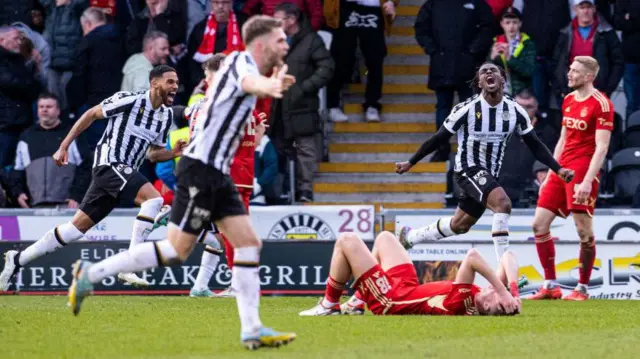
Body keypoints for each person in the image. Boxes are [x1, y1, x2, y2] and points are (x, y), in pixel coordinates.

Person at [64, 15, 296, 350]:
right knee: (175, 250)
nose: (286, 45)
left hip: (217, 173)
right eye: (280, 41)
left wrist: (268, 84)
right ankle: (90, 274)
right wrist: (270, 87)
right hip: (201, 170)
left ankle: (252, 329)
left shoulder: (248, 67)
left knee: (248, 244)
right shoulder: (239, 66)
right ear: (260, 45)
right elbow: (248, 84)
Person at [0, 65, 185, 292]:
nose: (175, 87)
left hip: (121, 173)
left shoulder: (165, 117)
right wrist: (63, 146)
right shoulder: (130, 100)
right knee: (154, 201)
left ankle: (17, 260)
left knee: (74, 230)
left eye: (176, 82)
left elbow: (152, 153)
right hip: (110, 164)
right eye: (170, 82)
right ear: (155, 83)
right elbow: (91, 114)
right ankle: (131, 263)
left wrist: (174, 152)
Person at [394, 62, 575, 263]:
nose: (489, 72)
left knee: (460, 225)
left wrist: (557, 169)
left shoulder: (515, 111)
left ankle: (410, 237)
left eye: (493, 70)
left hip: (489, 175)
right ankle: (504, 270)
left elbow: (535, 145)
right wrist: (411, 162)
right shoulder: (466, 109)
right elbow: (438, 138)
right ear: (480, 82)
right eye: (483, 71)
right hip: (467, 169)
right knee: (503, 204)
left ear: (502, 79)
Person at [184, 53, 270, 298]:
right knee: (227, 230)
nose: (207, 81)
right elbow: (254, 142)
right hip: (242, 173)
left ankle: (240, 284)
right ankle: (215, 284)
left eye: (209, 76)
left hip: (228, 174)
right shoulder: (245, 102)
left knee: (228, 231)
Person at [530, 56, 613, 301]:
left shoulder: (602, 104)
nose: (569, 74)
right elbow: (564, 139)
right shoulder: (567, 100)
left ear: (588, 76)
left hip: (583, 171)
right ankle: (550, 285)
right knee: (539, 225)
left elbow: (602, 148)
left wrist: (588, 180)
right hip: (563, 168)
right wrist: (552, 171)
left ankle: (582, 288)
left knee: (583, 232)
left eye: (575, 71)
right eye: (570, 69)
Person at [299, 231, 521, 316]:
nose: (490, 303)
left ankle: (329, 305)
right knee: (385, 238)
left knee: (347, 241)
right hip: (408, 287)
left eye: (493, 310)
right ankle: (358, 302)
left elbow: (472, 256)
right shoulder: (489, 293)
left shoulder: (463, 301)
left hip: (392, 300)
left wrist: (503, 291)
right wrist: (513, 292)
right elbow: (508, 257)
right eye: (498, 303)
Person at [414, 0, 494, 161]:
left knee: (468, 107)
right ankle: (442, 148)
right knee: (443, 107)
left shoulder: (475, 3)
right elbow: (421, 27)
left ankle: (468, 148)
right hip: (442, 64)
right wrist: (432, 50)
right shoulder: (434, 4)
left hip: (465, 65)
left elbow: (488, 26)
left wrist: (473, 51)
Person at [272, 2, 334, 202]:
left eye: (278, 19)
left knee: (305, 149)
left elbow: (326, 68)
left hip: (302, 105)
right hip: (277, 106)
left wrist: (304, 88)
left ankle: (305, 190)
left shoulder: (311, 40)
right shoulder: (274, 42)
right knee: (279, 149)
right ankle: (280, 190)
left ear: (291, 20)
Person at [9, 93, 91, 208]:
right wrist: (18, 193)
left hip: (67, 206)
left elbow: (86, 167)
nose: (44, 110)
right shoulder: (27, 136)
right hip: (35, 206)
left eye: (49, 107)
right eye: (41, 107)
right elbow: (17, 169)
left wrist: (76, 196)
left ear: (58, 110)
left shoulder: (71, 135)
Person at [325, 0, 397, 123]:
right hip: (346, 7)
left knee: (375, 59)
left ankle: (372, 105)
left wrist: (392, 2)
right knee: (342, 58)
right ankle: (333, 105)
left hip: (373, 8)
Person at [488, 7, 536, 97]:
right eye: (507, 22)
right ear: (502, 24)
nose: (511, 26)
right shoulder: (497, 42)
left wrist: (510, 59)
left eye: (514, 22)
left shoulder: (527, 44)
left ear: (520, 24)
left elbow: (529, 71)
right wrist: (492, 59)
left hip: (521, 93)